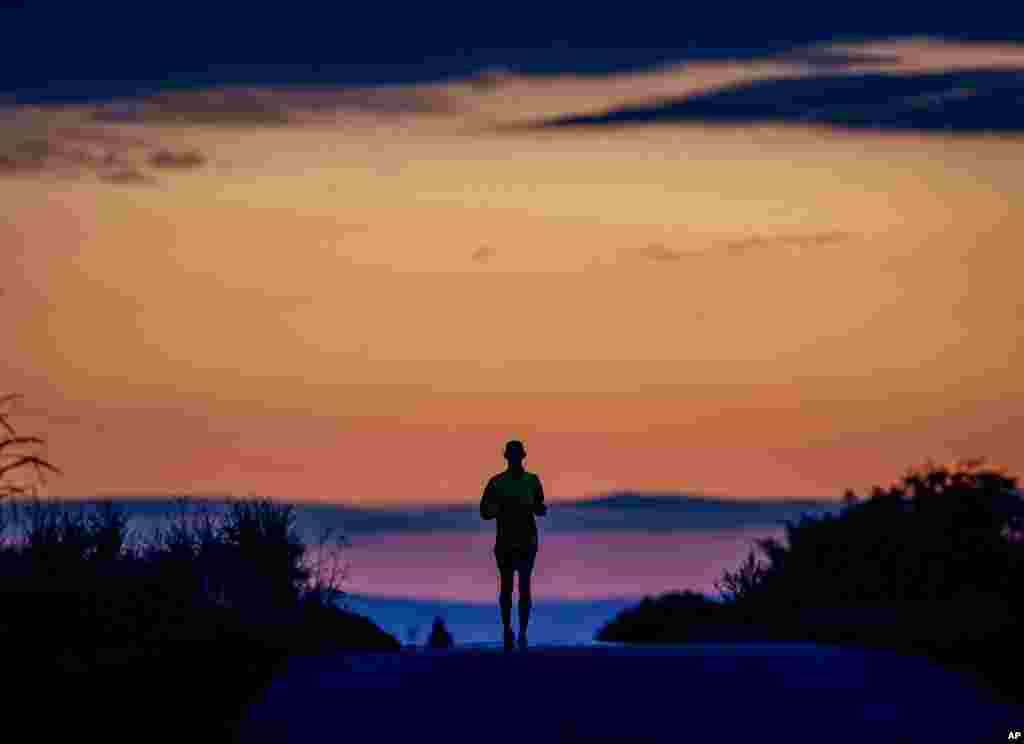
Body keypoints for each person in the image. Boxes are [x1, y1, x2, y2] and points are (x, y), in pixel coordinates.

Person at [480, 439, 547, 651]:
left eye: (517, 455)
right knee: (509, 587)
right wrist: (501, 510)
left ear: (521, 456)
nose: (516, 459)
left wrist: (536, 508)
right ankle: (509, 630)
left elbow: (540, 507)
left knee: (522, 588)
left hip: (526, 542)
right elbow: (484, 512)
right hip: (506, 543)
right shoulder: (496, 482)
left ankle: (521, 632)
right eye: (513, 455)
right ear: (508, 457)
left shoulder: (532, 481)